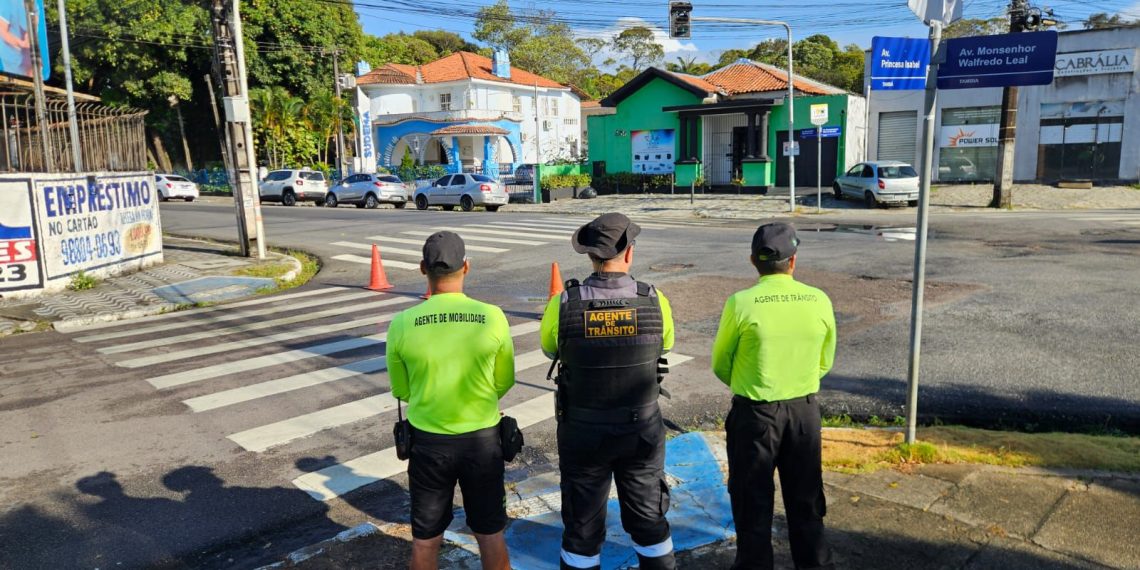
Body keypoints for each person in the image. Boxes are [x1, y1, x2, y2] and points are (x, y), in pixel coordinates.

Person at [540, 212, 677, 570]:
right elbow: (665, 344)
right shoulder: (654, 300)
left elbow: (549, 348)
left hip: (583, 431)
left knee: (582, 528)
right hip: (641, 430)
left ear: (589, 256)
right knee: (650, 520)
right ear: (629, 253)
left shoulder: (565, 302)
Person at [711, 222, 837, 570]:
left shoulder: (741, 303)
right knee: (807, 503)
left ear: (753, 261)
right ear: (793, 261)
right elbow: (825, 361)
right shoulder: (819, 299)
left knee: (752, 504)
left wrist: (752, 381)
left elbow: (721, 363)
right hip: (804, 414)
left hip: (755, 415)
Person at [387, 231, 515, 570]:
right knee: (490, 534)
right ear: (466, 267)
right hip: (482, 442)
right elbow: (505, 380)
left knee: (426, 541)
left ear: (421, 269)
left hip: (428, 445)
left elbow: (402, 390)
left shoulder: (401, 324)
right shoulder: (492, 316)